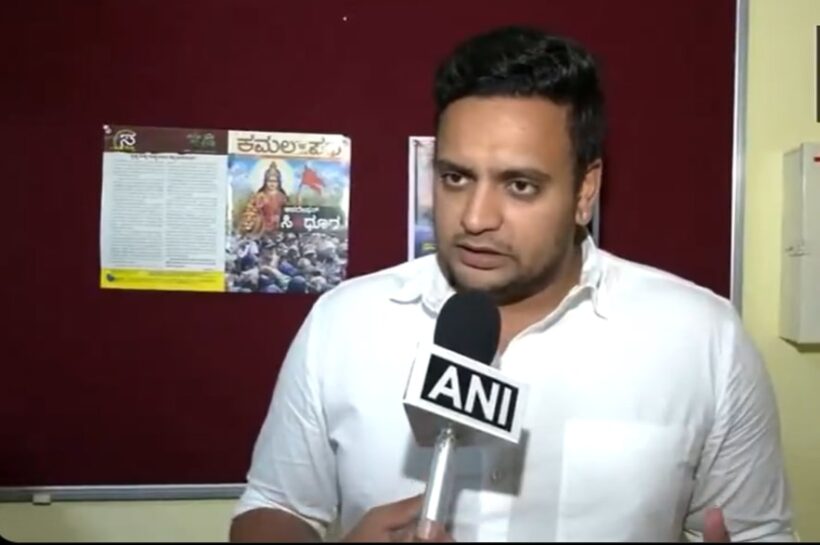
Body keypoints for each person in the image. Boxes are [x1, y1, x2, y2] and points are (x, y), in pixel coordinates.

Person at [229, 25, 794, 542]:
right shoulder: (345, 322)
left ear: (584, 191)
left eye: (520, 185)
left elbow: (757, 532)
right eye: (456, 177)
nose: (475, 218)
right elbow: (274, 508)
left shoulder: (703, 339)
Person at [240, 161, 289, 237]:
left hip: (278, 225)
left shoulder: (282, 196)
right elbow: (251, 210)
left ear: (279, 182)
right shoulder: (260, 196)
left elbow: (287, 211)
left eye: (275, 181)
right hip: (261, 226)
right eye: (269, 181)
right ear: (265, 182)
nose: (272, 184)